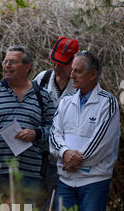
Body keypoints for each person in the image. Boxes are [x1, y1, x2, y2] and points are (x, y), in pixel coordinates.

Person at [50, 50, 120, 211]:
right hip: (66, 178)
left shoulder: (108, 102)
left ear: (93, 74)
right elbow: (54, 132)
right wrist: (64, 153)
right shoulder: (66, 100)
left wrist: (78, 158)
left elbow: (103, 139)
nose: (72, 75)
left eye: (78, 71)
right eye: (72, 70)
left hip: (94, 178)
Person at [0, 46, 55, 202]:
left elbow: (54, 130)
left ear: (27, 66)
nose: (7, 65)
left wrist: (36, 133)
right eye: (5, 62)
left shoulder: (42, 96)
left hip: (31, 175)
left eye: (13, 62)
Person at [34, 36, 79, 199]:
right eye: (54, 61)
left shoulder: (79, 86)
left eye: (62, 62)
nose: (57, 66)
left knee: (58, 210)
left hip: (63, 161)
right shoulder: (42, 79)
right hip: (39, 157)